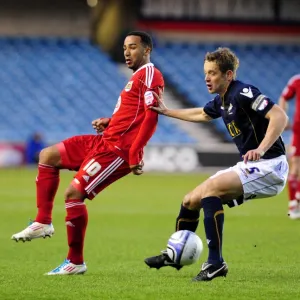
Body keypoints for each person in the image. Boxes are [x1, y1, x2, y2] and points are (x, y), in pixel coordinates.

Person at [11, 31, 164, 275]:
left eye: (133, 47)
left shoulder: (150, 74)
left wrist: (135, 152)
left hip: (116, 151)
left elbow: (152, 115)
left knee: (73, 194)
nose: (127, 51)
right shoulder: (137, 77)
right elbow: (133, 114)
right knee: (47, 156)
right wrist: (111, 121)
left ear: (147, 50)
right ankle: (42, 222)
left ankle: (75, 262)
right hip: (104, 140)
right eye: (125, 47)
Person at [144, 47, 289, 282]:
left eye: (212, 73)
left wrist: (260, 149)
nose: (206, 78)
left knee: (211, 191)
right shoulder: (222, 100)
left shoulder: (244, 92)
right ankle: (176, 254)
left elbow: (280, 116)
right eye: (205, 73)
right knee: (190, 200)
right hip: (251, 165)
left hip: (271, 166)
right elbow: (202, 114)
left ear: (228, 75)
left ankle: (215, 263)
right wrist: (167, 111)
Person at [278, 74, 300, 219]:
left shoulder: (296, 80)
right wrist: (284, 118)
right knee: (295, 167)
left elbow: (284, 97)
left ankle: (295, 202)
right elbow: (284, 98)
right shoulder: (297, 80)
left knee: (295, 167)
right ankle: (293, 204)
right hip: (299, 129)